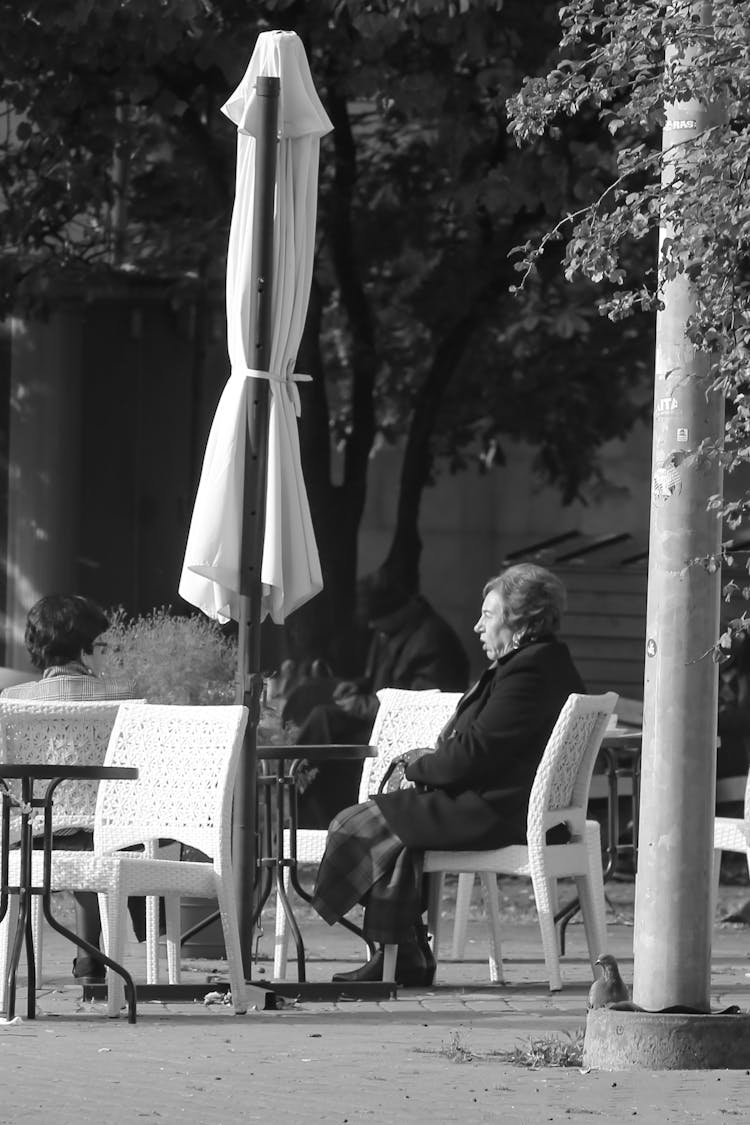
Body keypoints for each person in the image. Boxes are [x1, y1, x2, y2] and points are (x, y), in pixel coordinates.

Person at [310, 563, 585, 985]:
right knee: (394, 830)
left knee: (362, 822)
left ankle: (399, 954)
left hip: (496, 809)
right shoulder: (543, 664)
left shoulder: (528, 674)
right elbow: (479, 748)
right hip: (501, 801)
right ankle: (403, 953)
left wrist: (416, 767)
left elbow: (471, 755)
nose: (476, 626)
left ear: (520, 622)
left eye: (489, 616)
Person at [1, 594, 138, 984]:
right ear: (84, 649)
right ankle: (91, 956)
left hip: (30, 840)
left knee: (58, 834)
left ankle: (13, 965)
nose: (106, 652)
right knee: (89, 838)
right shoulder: (122, 695)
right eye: (101, 644)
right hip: (109, 836)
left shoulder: (11, 702)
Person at [294, 576, 471, 828]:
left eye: (375, 620)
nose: (371, 625)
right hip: (379, 717)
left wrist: (363, 705)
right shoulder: (391, 632)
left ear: (396, 612)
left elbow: (421, 708)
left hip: (405, 734)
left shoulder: (432, 641)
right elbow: (382, 678)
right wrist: (360, 685)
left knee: (325, 725)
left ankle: (293, 783)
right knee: (317, 708)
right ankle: (294, 779)